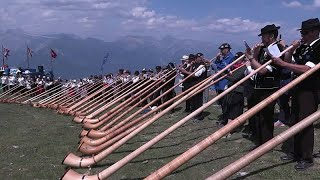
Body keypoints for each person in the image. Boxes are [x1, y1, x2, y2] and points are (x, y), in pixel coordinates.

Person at [272, 18, 320, 170]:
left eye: (305, 33)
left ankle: (306, 158)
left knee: (305, 122)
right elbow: (289, 63)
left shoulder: (319, 46)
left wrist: (284, 64)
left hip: (310, 89)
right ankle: (295, 152)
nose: (303, 36)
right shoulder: (303, 47)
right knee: (294, 120)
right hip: (298, 87)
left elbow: (308, 69)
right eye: (302, 32)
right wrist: (291, 50)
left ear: (314, 32)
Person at [245, 24, 284, 147]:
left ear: (271, 36)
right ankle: (259, 140)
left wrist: (251, 58)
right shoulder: (263, 49)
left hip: (269, 87)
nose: (261, 39)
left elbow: (262, 70)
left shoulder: (277, 49)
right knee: (258, 115)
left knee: (266, 116)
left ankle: (266, 143)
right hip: (258, 86)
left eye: (264, 36)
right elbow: (254, 66)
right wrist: (254, 54)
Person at [222, 52, 246, 137]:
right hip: (232, 90)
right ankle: (232, 127)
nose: (236, 60)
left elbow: (234, 78)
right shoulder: (235, 67)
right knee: (230, 108)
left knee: (234, 110)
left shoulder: (243, 68)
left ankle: (229, 130)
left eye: (237, 59)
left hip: (238, 91)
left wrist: (223, 75)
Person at [179, 54, 207, 121]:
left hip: (199, 85)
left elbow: (195, 75)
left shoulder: (202, 66)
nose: (196, 59)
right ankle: (194, 113)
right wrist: (190, 66)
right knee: (193, 101)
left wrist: (185, 71)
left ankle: (199, 116)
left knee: (198, 101)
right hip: (193, 85)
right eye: (196, 58)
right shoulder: (194, 65)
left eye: (198, 58)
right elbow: (190, 72)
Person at [213, 43, 234, 125]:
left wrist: (221, 61)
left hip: (225, 82)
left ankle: (226, 120)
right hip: (219, 83)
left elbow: (228, 69)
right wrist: (217, 59)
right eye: (220, 50)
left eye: (222, 50)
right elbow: (214, 66)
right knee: (221, 102)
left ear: (227, 49)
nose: (221, 51)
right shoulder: (221, 58)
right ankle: (224, 117)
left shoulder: (231, 58)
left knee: (226, 103)